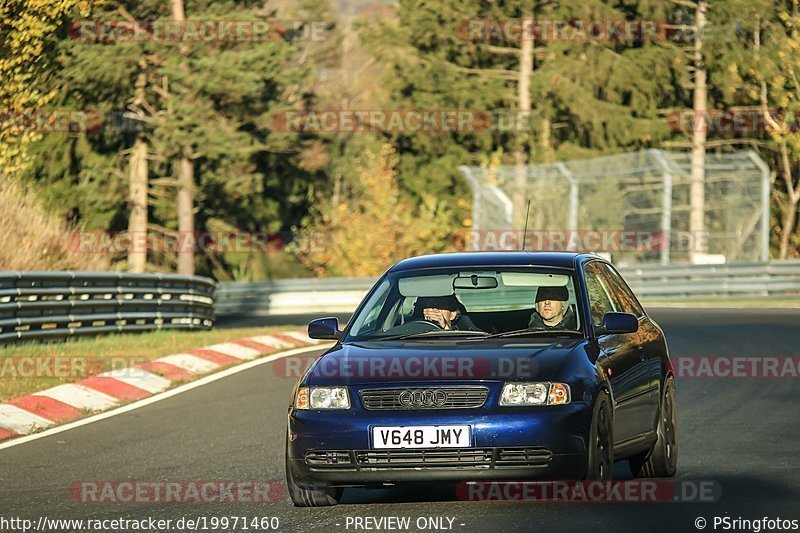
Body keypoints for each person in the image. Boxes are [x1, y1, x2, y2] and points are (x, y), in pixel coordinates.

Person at [417, 295, 482, 331]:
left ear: (452, 315)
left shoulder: (464, 337)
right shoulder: (414, 332)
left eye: (439, 307)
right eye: (430, 307)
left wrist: (445, 328)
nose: (434, 311)